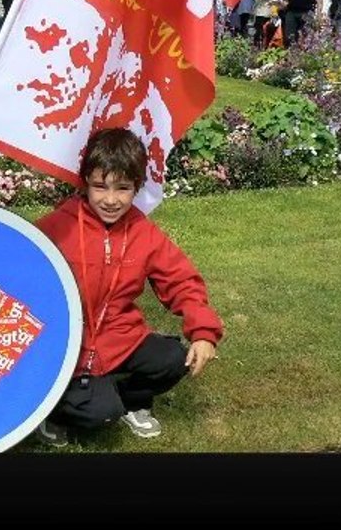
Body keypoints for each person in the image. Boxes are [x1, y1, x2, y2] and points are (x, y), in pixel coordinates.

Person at [33, 128, 224, 447]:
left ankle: (132, 402)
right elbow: (13, 265)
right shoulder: (56, 226)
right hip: (67, 346)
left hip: (120, 336)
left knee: (174, 358)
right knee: (101, 414)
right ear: (85, 184)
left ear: (137, 187)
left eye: (123, 188)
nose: (110, 200)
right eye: (99, 187)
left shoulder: (143, 231)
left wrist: (203, 331)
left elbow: (182, 280)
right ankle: (53, 414)